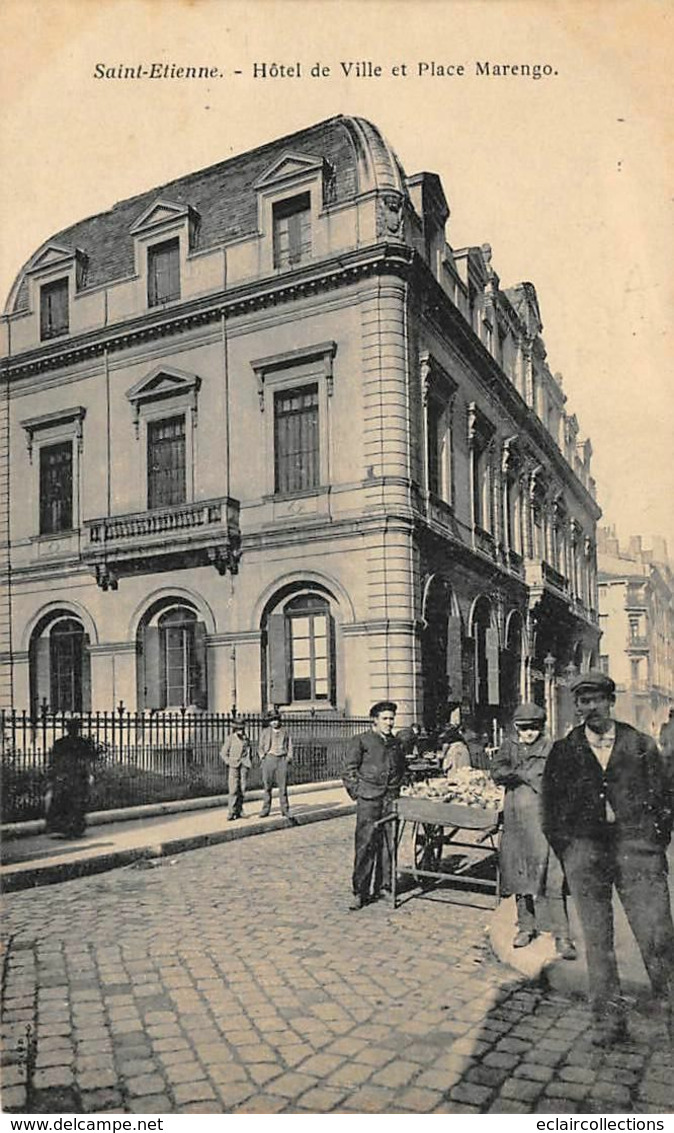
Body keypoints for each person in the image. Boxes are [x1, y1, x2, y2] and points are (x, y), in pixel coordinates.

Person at [542, 670, 674, 1046]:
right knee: (598, 941)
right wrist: (569, 851)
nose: (590, 708)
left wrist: (653, 842)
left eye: (597, 700)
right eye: (583, 702)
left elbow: (666, 798)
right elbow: (550, 809)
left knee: (656, 935)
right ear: (578, 706)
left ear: (610, 702)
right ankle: (608, 1021)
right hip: (587, 857)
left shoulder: (640, 745)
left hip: (637, 855)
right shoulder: (565, 751)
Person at [491, 703, 576, 959]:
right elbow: (496, 771)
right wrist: (522, 774)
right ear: (516, 728)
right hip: (516, 823)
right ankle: (526, 927)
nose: (528, 733)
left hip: (545, 824)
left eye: (533, 728)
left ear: (542, 727)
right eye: (524, 728)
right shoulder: (509, 747)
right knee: (520, 876)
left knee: (553, 881)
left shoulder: (553, 748)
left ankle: (562, 937)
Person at [343, 701, 407, 910]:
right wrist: (358, 792)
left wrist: (398, 788)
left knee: (389, 844)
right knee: (366, 844)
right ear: (375, 720)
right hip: (369, 800)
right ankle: (360, 892)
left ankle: (385, 887)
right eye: (385, 719)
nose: (390, 723)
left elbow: (401, 768)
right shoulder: (361, 740)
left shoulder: (395, 742)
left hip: (390, 799)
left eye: (391, 718)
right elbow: (349, 771)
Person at [45, 716, 96, 838]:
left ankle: (69, 828)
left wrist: (53, 776)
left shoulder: (61, 743)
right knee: (74, 803)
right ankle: (72, 828)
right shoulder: (81, 743)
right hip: (74, 777)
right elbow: (87, 761)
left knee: (69, 802)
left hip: (67, 777)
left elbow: (53, 762)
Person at [258, 711, 293, 818]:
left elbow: (290, 745)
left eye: (276, 720)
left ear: (279, 720)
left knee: (283, 786)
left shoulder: (285, 731)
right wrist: (263, 757)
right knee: (267, 786)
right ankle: (266, 809)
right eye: (272, 720)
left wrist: (288, 757)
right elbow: (260, 746)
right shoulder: (265, 732)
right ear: (269, 722)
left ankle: (285, 809)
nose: (274, 722)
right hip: (269, 758)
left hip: (282, 759)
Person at [221, 719, 252, 820]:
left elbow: (248, 751)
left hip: (244, 765)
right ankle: (231, 811)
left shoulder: (246, 739)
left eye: (242, 729)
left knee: (242, 788)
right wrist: (229, 762)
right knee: (233, 789)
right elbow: (223, 753)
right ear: (235, 729)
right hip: (234, 766)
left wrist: (248, 761)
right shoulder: (230, 738)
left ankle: (240, 810)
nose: (241, 731)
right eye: (238, 729)